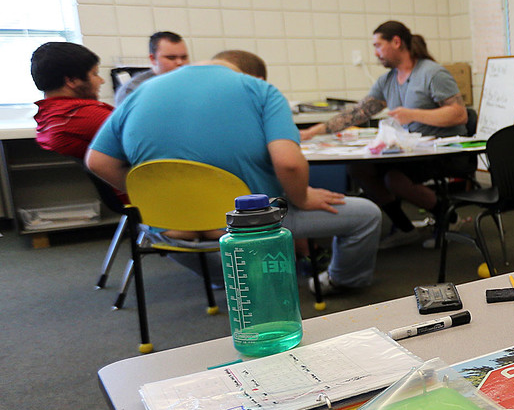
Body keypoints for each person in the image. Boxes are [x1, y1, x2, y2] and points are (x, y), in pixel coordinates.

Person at [86, 50, 381, 293]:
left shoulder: (140, 92)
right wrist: (302, 198)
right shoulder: (259, 90)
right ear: (254, 75)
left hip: (168, 226)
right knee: (366, 214)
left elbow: (97, 162)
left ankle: (231, 282)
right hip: (247, 224)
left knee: (170, 229)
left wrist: (155, 197)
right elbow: (288, 162)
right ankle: (340, 283)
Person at [302, 21, 469, 244]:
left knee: (394, 179)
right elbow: (360, 112)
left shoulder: (432, 73)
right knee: (359, 168)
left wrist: (414, 114)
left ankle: (449, 217)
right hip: (410, 151)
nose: (375, 53)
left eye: (378, 46)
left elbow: (459, 114)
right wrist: (314, 131)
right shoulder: (388, 79)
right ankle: (404, 227)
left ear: (397, 42)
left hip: (441, 151)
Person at [30, 42, 113, 160]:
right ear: (72, 81)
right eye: (95, 74)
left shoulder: (49, 116)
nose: (101, 80)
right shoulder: (82, 116)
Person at [113, 31, 190, 104]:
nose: (180, 62)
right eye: (171, 58)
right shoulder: (133, 90)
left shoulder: (191, 84)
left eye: (184, 57)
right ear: (153, 59)